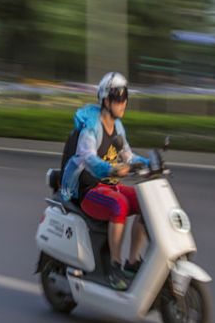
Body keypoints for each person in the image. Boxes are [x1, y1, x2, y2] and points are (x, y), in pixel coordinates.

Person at [60, 72, 149, 290]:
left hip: (109, 185)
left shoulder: (118, 128)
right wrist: (110, 168)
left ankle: (132, 261)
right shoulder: (92, 127)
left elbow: (127, 155)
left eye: (125, 96)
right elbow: (87, 157)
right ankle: (114, 266)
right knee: (119, 204)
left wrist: (150, 163)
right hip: (88, 189)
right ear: (106, 101)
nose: (124, 102)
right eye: (118, 96)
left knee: (147, 203)